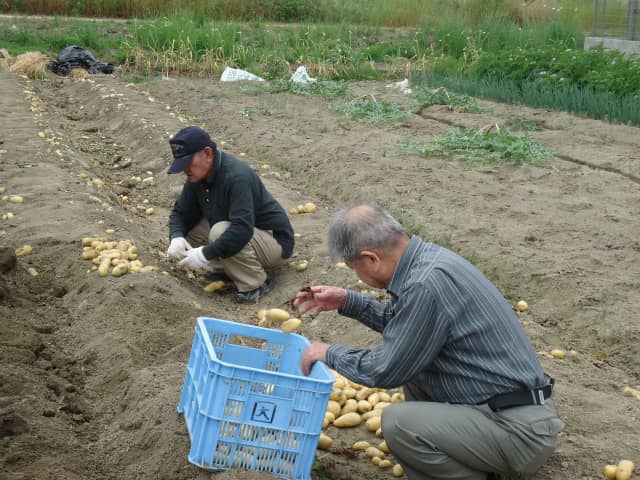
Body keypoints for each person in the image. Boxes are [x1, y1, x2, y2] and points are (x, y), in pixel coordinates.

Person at [293, 204, 564, 480]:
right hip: (512, 414)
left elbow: (384, 370)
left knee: (398, 424)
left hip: (519, 432)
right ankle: (472, 459)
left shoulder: (425, 285)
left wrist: (329, 352)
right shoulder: (428, 261)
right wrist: (348, 301)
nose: (357, 276)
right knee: (415, 369)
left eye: (355, 269)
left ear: (371, 259)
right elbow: (407, 327)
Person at [166, 125, 294, 303]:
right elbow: (180, 213)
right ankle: (226, 271)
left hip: (273, 242)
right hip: (245, 233)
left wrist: (205, 254)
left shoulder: (236, 177)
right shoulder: (197, 177)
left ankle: (255, 283)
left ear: (208, 153)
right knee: (191, 229)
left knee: (220, 231)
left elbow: (242, 230)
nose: (185, 169)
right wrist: (176, 236)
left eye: (188, 163)